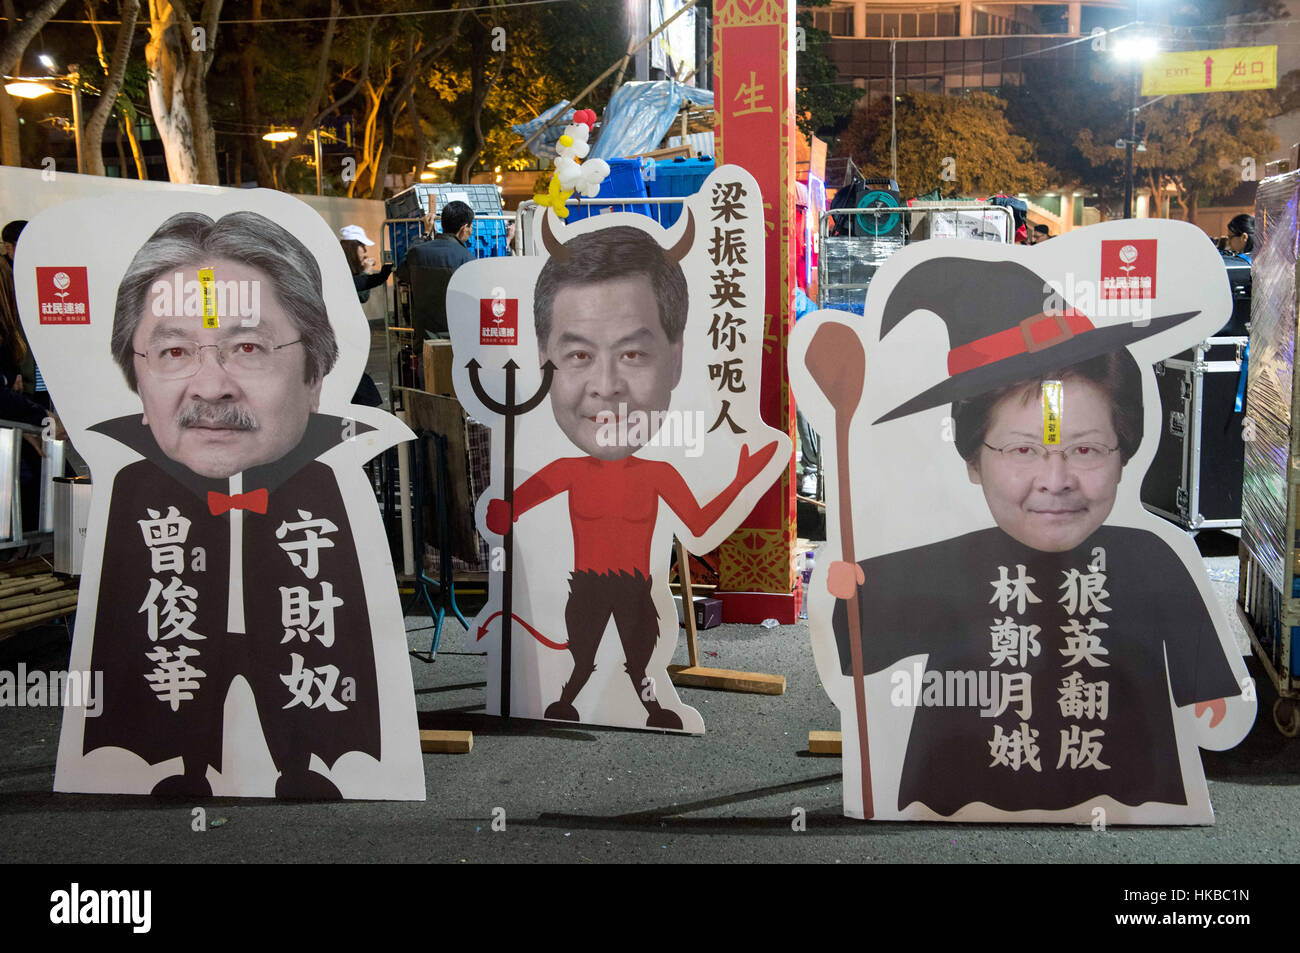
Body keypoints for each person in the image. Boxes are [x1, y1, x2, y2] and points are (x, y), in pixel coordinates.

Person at [824, 256, 1243, 818]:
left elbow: (1214, 711)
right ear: (973, 459)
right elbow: (853, 652)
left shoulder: (1153, 561)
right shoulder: (935, 569)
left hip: (1131, 798)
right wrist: (843, 586)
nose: (1055, 481)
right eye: (1024, 450)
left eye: (1087, 449)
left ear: (1126, 454)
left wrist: (1215, 705)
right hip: (956, 799)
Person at [82, 210, 385, 798]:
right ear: (136, 379)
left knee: (295, 677)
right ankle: (183, 768)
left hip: (287, 624)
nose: (211, 385)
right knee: (180, 679)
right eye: (173, 353)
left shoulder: (324, 490)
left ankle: (301, 765)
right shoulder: (135, 497)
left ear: (315, 371)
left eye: (248, 346)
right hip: (192, 633)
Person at [485, 216, 776, 729]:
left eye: (634, 353)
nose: (606, 386)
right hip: (589, 585)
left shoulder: (657, 474)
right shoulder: (566, 469)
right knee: (582, 656)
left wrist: (742, 476)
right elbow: (509, 510)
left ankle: (651, 705)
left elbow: (701, 524)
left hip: (637, 585)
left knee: (641, 659)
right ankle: (567, 699)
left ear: (676, 359)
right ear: (542, 360)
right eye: (578, 353)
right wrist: (500, 512)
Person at [396, 199, 475, 341]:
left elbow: (401, 271)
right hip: (457, 338)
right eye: (471, 227)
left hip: (425, 339)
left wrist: (425, 234)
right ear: (464, 228)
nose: (471, 231)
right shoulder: (467, 258)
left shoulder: (418, 253)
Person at [338, 224, 392, 304]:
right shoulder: (339, 268)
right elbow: (361, 297)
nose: (365, 250)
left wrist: (382, 275)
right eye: (362, 246)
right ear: (352, 247)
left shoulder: (347, 266)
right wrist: (366, 271)